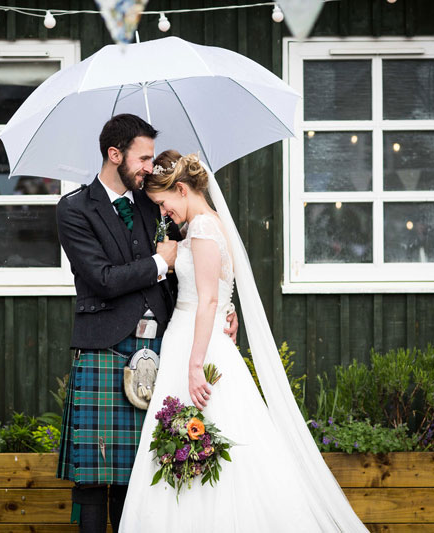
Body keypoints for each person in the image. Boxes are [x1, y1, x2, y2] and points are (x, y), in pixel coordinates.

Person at [119, 151, 369, 532]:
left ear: (182, 189)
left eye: (163, 204)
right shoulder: (212, 225)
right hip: (196, 339)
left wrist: (194, 364)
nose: (164, 212)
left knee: (211, 441)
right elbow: (222, 290)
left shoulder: (202, 229)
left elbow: (209, 301)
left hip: (196, 346)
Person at [55, 115, 237, 533]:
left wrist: (224, 304)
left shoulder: (152, 201)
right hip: (104, 346)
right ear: (114, 155)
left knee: (141, 471)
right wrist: (159, 262)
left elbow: (200, 263)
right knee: (93, 476)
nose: (149, 167)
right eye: (143, 158)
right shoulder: (74, 209)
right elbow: (100, 279)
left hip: (162, 348)